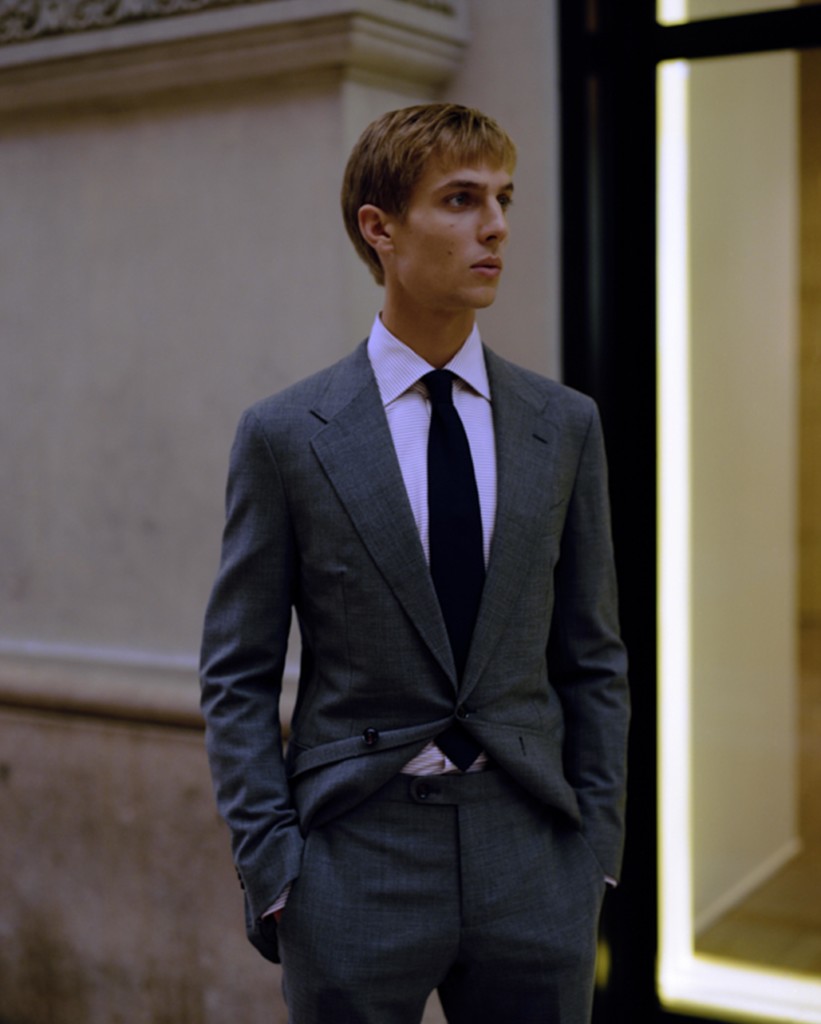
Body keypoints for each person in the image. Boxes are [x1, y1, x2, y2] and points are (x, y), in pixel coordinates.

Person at [200, 103, 629, 1024]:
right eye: (462, 199)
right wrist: (275, 868)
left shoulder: (564, 425)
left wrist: (591, 849)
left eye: (503, 199)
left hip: (532, 855)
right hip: (356, 857)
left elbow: (592, 656)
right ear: (379, 228)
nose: (496, 226)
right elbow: (235, 675)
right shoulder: (286, 435)